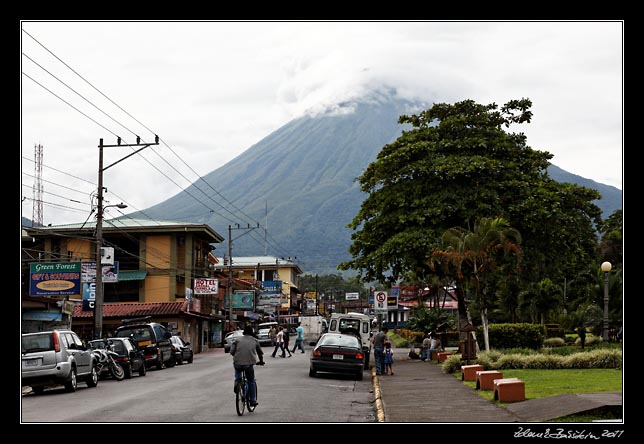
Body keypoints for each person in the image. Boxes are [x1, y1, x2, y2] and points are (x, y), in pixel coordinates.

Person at [230, 325, 264, 407]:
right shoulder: (255, 340)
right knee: (251, 381)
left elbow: (231, 352)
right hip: (249, 365)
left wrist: (237, 356)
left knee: (238, 375)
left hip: (237, 363)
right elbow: (260, 353)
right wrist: (261, 361)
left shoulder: (237, 340)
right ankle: (252, 400)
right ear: (252, 332)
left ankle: (237, 385)